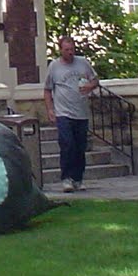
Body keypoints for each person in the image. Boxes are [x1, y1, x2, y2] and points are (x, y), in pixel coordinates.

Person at [44, 34, 100, 191]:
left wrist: (90, 86)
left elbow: (95, 80)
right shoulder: (54, 67)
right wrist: (50, 109)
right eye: (67, 50)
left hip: (81, 112)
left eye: (72, 49)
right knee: (67, 144)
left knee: (80, 147)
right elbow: (47, 90)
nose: (70, 52)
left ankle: (78, 178)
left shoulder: (83, 63)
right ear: (60, 50)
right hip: (63, 113)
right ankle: (66, 178)